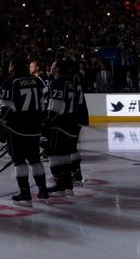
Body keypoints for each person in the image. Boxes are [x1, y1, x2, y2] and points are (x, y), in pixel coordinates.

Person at [0, 59, 49, 206]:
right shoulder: (37, 81)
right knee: (35, 159)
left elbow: (6, 108)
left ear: (13, 67)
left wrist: (1, 124)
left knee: (19, 161)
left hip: (17, 129)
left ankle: (25, 193)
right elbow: (44, 103)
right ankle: (43, 190)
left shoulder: (9, 83)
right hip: (35, 128)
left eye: (10, 65)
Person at [46, 60, 79, 196]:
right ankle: (68, 185)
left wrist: (47, 124)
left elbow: (56, 107)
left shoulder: (57, 83)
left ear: (58, 69)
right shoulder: (70, 83)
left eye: (53, 66)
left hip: (59, 126)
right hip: (70, 125)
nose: (50, 67)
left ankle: (60, 186)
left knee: (52, 154)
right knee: (65, 155)